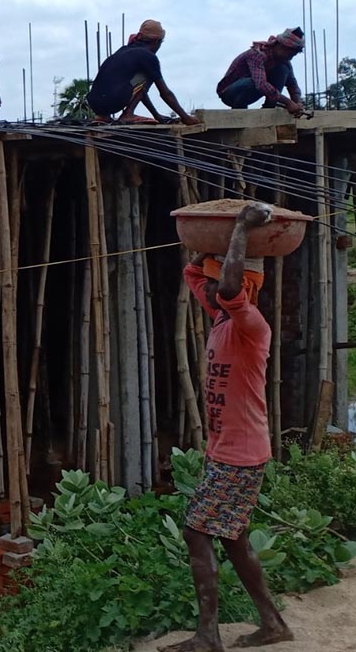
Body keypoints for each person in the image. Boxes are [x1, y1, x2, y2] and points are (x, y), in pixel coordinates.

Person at [162, 202, 293, 652]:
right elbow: (193, 274)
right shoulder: (221, 315)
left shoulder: (251, 325)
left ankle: (208, 635)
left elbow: (231, 286)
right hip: (228, 451)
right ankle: (273, 623)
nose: (214, 286)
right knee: (233, 538)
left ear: (244, 286)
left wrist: (240, 228)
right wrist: (210, 245)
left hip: (240, 454)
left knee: (197, 532)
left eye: (221, 280)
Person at [87, 20, 200, 126]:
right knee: (147, 75)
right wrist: (185, 117)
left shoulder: (123, 50)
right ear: (157, 41)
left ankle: (103, 117)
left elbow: (139, 91)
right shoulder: (148, 56)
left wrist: (156, 115)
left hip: (95, 103)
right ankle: (128, 114)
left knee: (142, 76)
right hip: (113, 100)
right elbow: (165, 93)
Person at [217, 28, 306, 115]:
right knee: (252, 83)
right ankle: (239, 113)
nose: (290, 58)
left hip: (253, 88)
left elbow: (292, 84)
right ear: (280, 46)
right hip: (229, 92)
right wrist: (288, 102)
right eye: (290, 54)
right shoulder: (257, 54)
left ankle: (269, 109)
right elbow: (261, 84)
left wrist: (298, 103)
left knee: (283, 69)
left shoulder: (284, 61)